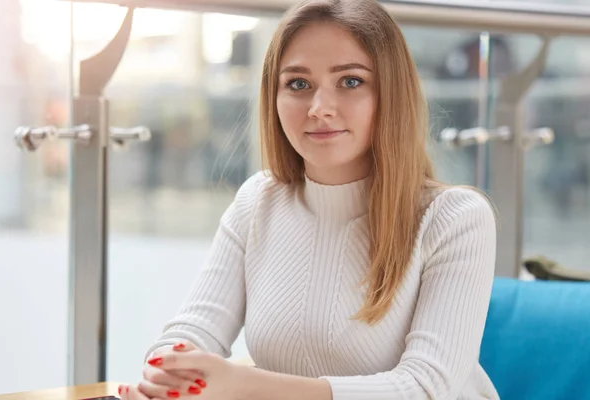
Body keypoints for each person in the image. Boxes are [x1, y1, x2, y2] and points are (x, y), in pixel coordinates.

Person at [119, 0, 499, 398]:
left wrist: (243, 387)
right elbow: (192, 330)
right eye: (298, 84)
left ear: (391, 93)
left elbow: (425, 389)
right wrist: (171, 373)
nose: (319, 109)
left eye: (350, 81)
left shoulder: (455, 218)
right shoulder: (257, 202)